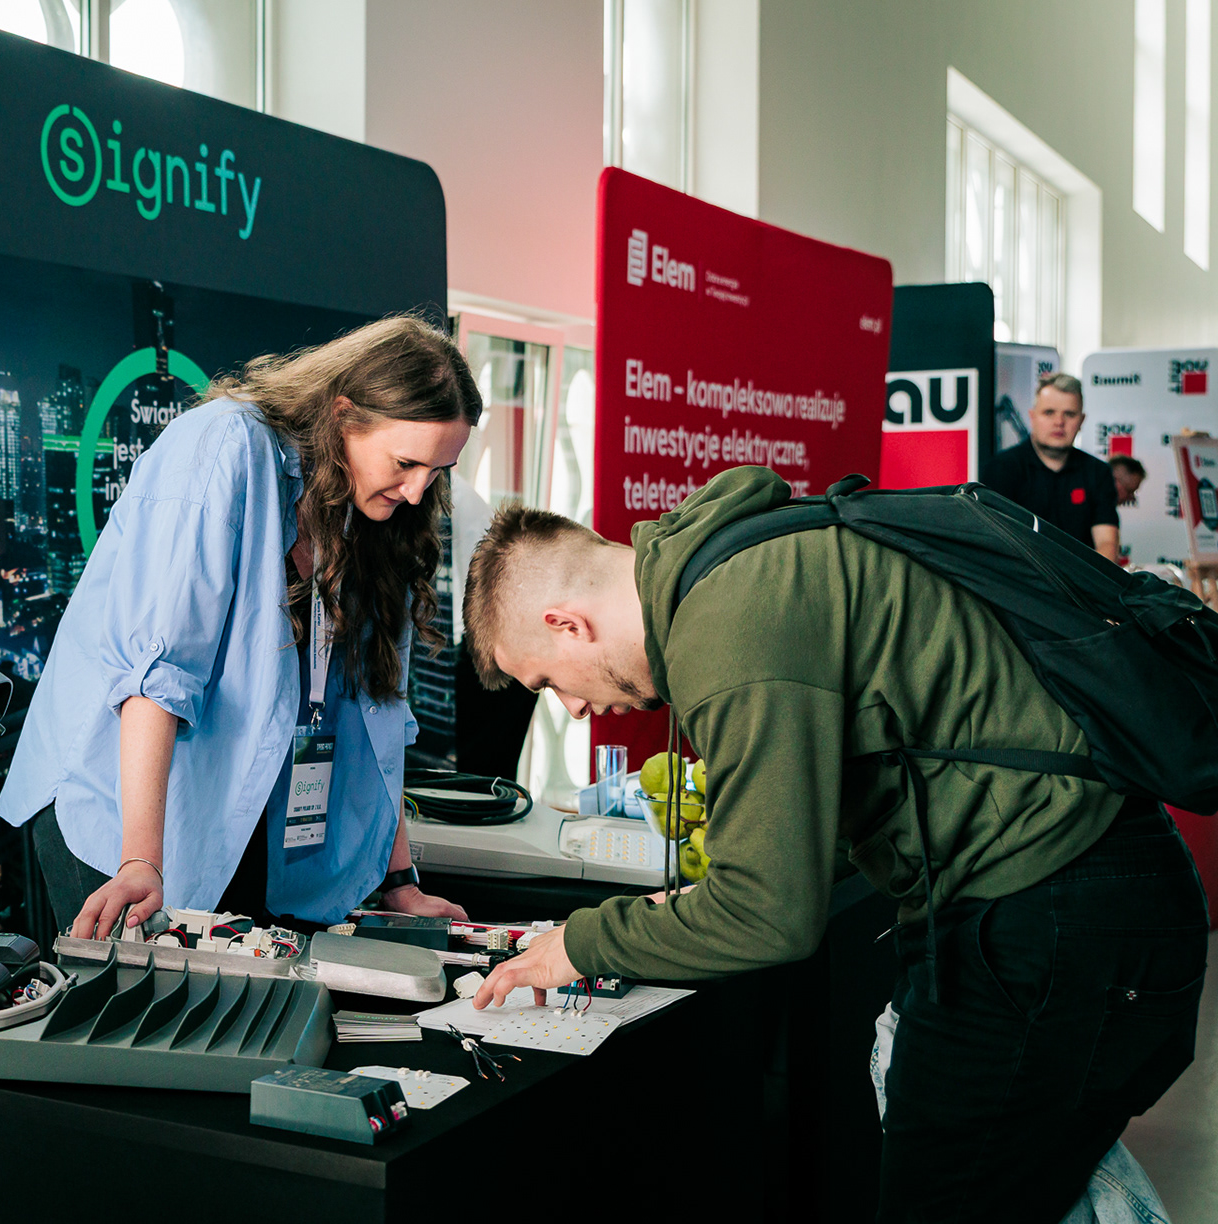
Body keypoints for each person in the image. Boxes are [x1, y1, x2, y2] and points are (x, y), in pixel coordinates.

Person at [458, 466, 1206, 1224]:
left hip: (1049, 910)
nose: (574, 709)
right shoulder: (741, 558)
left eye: (548, 683)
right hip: (1075, 894)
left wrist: (578, 944)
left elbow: (769, 915)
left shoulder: (728, 620)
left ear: (567, 624)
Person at [0, 315, 479, 941]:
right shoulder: (225, 446)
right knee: (143, 1002)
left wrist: (399, 881)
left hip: (245, 818)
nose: (417, 492)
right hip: (122, 816)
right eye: (406, 463)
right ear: (343, 415)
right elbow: (156, 671)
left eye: (437, 471)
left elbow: (376, 716)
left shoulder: (376, 513)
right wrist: (140, 860)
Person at [981, 372, 1122, 562]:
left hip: (1081, 579)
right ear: (1032, 417)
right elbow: (994, 544)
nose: (1059, 422)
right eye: (1049, 412)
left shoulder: (1098, 473)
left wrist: (1087, 580)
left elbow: (1107, 543)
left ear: (1081, 421)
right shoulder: (1001, 469)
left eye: (1069, 414)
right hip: (1020, 578)